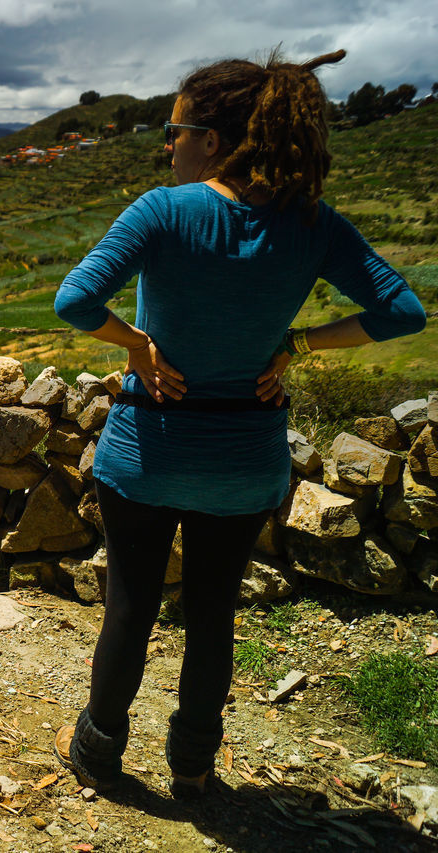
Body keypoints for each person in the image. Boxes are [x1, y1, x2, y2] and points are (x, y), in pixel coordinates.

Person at [51, 48, 427, 797]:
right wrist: (300, 343)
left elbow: (74, 302)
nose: (169, 145)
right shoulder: (312, 224)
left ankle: (98, 747)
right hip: (245, 459)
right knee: (214, 609)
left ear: (213, 141)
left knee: (129, 605)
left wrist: (138, 346)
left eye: (175, 130)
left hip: (150, 448)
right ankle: (192, 763)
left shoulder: (163, 210)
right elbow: (402, 311)